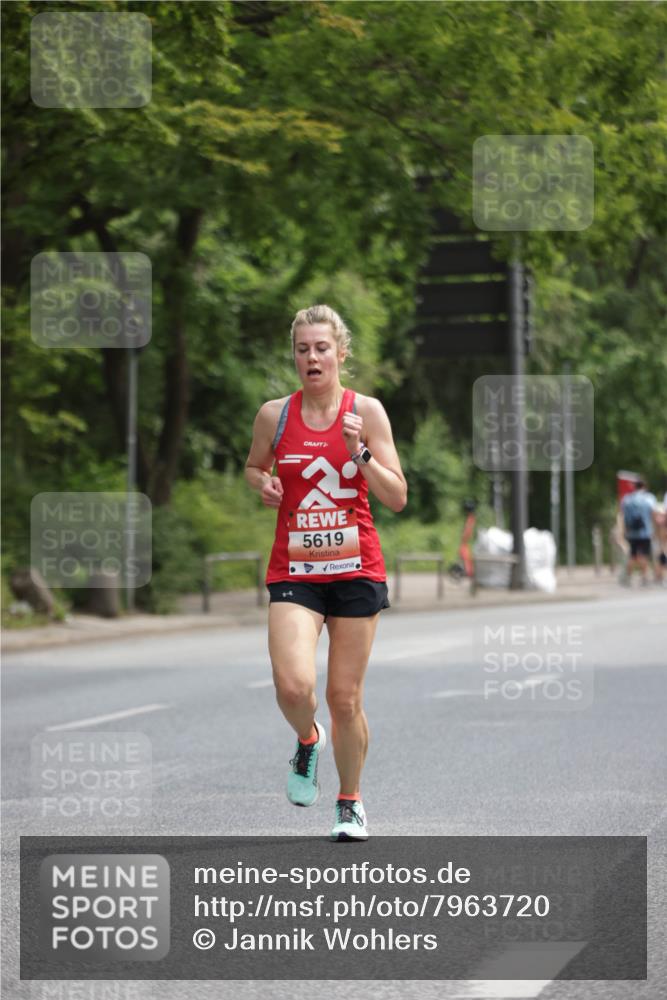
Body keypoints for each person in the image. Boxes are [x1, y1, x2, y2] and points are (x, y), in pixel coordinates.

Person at [245, 304, 407, 841]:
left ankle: (350, 801)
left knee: (345, 698)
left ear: (341, 353)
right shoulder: (276, 415)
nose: (311, 357)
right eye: (301, 349)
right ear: (294, 355)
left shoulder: (369, 412)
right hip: (295, 568)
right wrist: (261, 483)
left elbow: (397, 496)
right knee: (294, 686)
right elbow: (255, 466)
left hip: (356, 569)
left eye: (321, 348)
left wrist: (358, 452)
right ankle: (307, 739)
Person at [620, 479, 657, 586]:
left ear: (634, 487)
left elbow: (623, 516)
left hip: (631, 532)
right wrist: (654, 529)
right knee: (644, 555)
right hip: (645, 532)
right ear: (644, 487)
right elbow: (653, 514)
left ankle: (627, 578)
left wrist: (625, 530)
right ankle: (644, 578)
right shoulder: (648, 498)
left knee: (632, 555)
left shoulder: (627, 499)